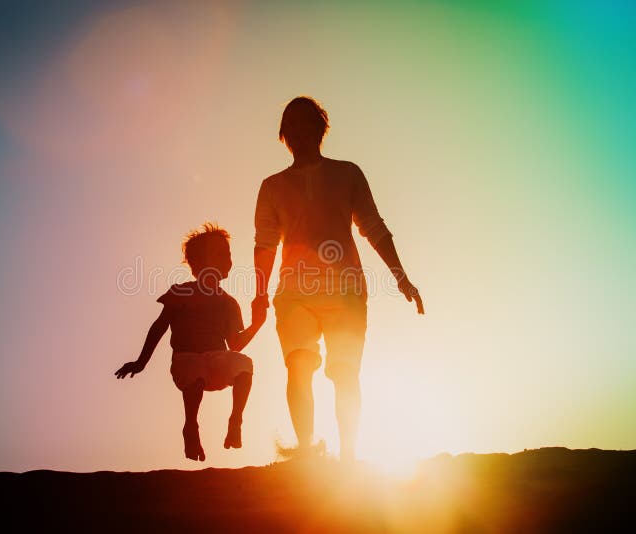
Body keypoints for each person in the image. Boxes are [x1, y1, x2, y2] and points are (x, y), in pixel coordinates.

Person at [251, 96, 424, 462]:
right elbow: (264, 244)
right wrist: (258, 295)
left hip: (346, 291)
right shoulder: (272, 186)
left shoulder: (348, 173)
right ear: (284, 134)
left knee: (345, 373)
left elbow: (373, 227)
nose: (299, 131)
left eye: (306, 122)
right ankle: (306, 451)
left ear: (320, 128)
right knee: (299, 364)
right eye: (291, 125)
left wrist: (401, 278)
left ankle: (348, 456)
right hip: (294, 293)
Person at [115, 223, 265, 461]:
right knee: (194, 374)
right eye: (221, 254)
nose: (228, 259)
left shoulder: (229, 303)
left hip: (217, 359)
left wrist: (257, 324)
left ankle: (236, 419)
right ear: (199, 263)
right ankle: (191, 426)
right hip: (186, 358)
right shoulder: (182, 291)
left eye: (228, 254)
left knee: (244, 364)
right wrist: (141, 361)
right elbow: (159, 326)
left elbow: (235, 344)